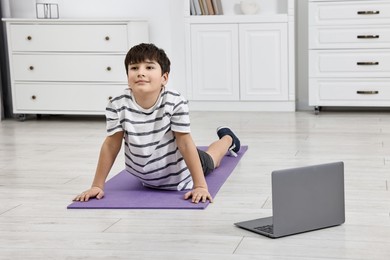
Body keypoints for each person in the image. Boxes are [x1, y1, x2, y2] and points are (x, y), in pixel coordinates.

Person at [73, 43, 240, 204]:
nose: (140, 72)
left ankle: (228, 139)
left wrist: (200, 186)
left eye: (149, 67)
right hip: (146, 175)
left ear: (164, 78)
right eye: (134, 68)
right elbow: (111, 145)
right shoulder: (117, 104)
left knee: (212, 159)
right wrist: (96, 185)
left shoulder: (175, 101)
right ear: (127, 77)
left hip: (180, 170)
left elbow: (185, 143)